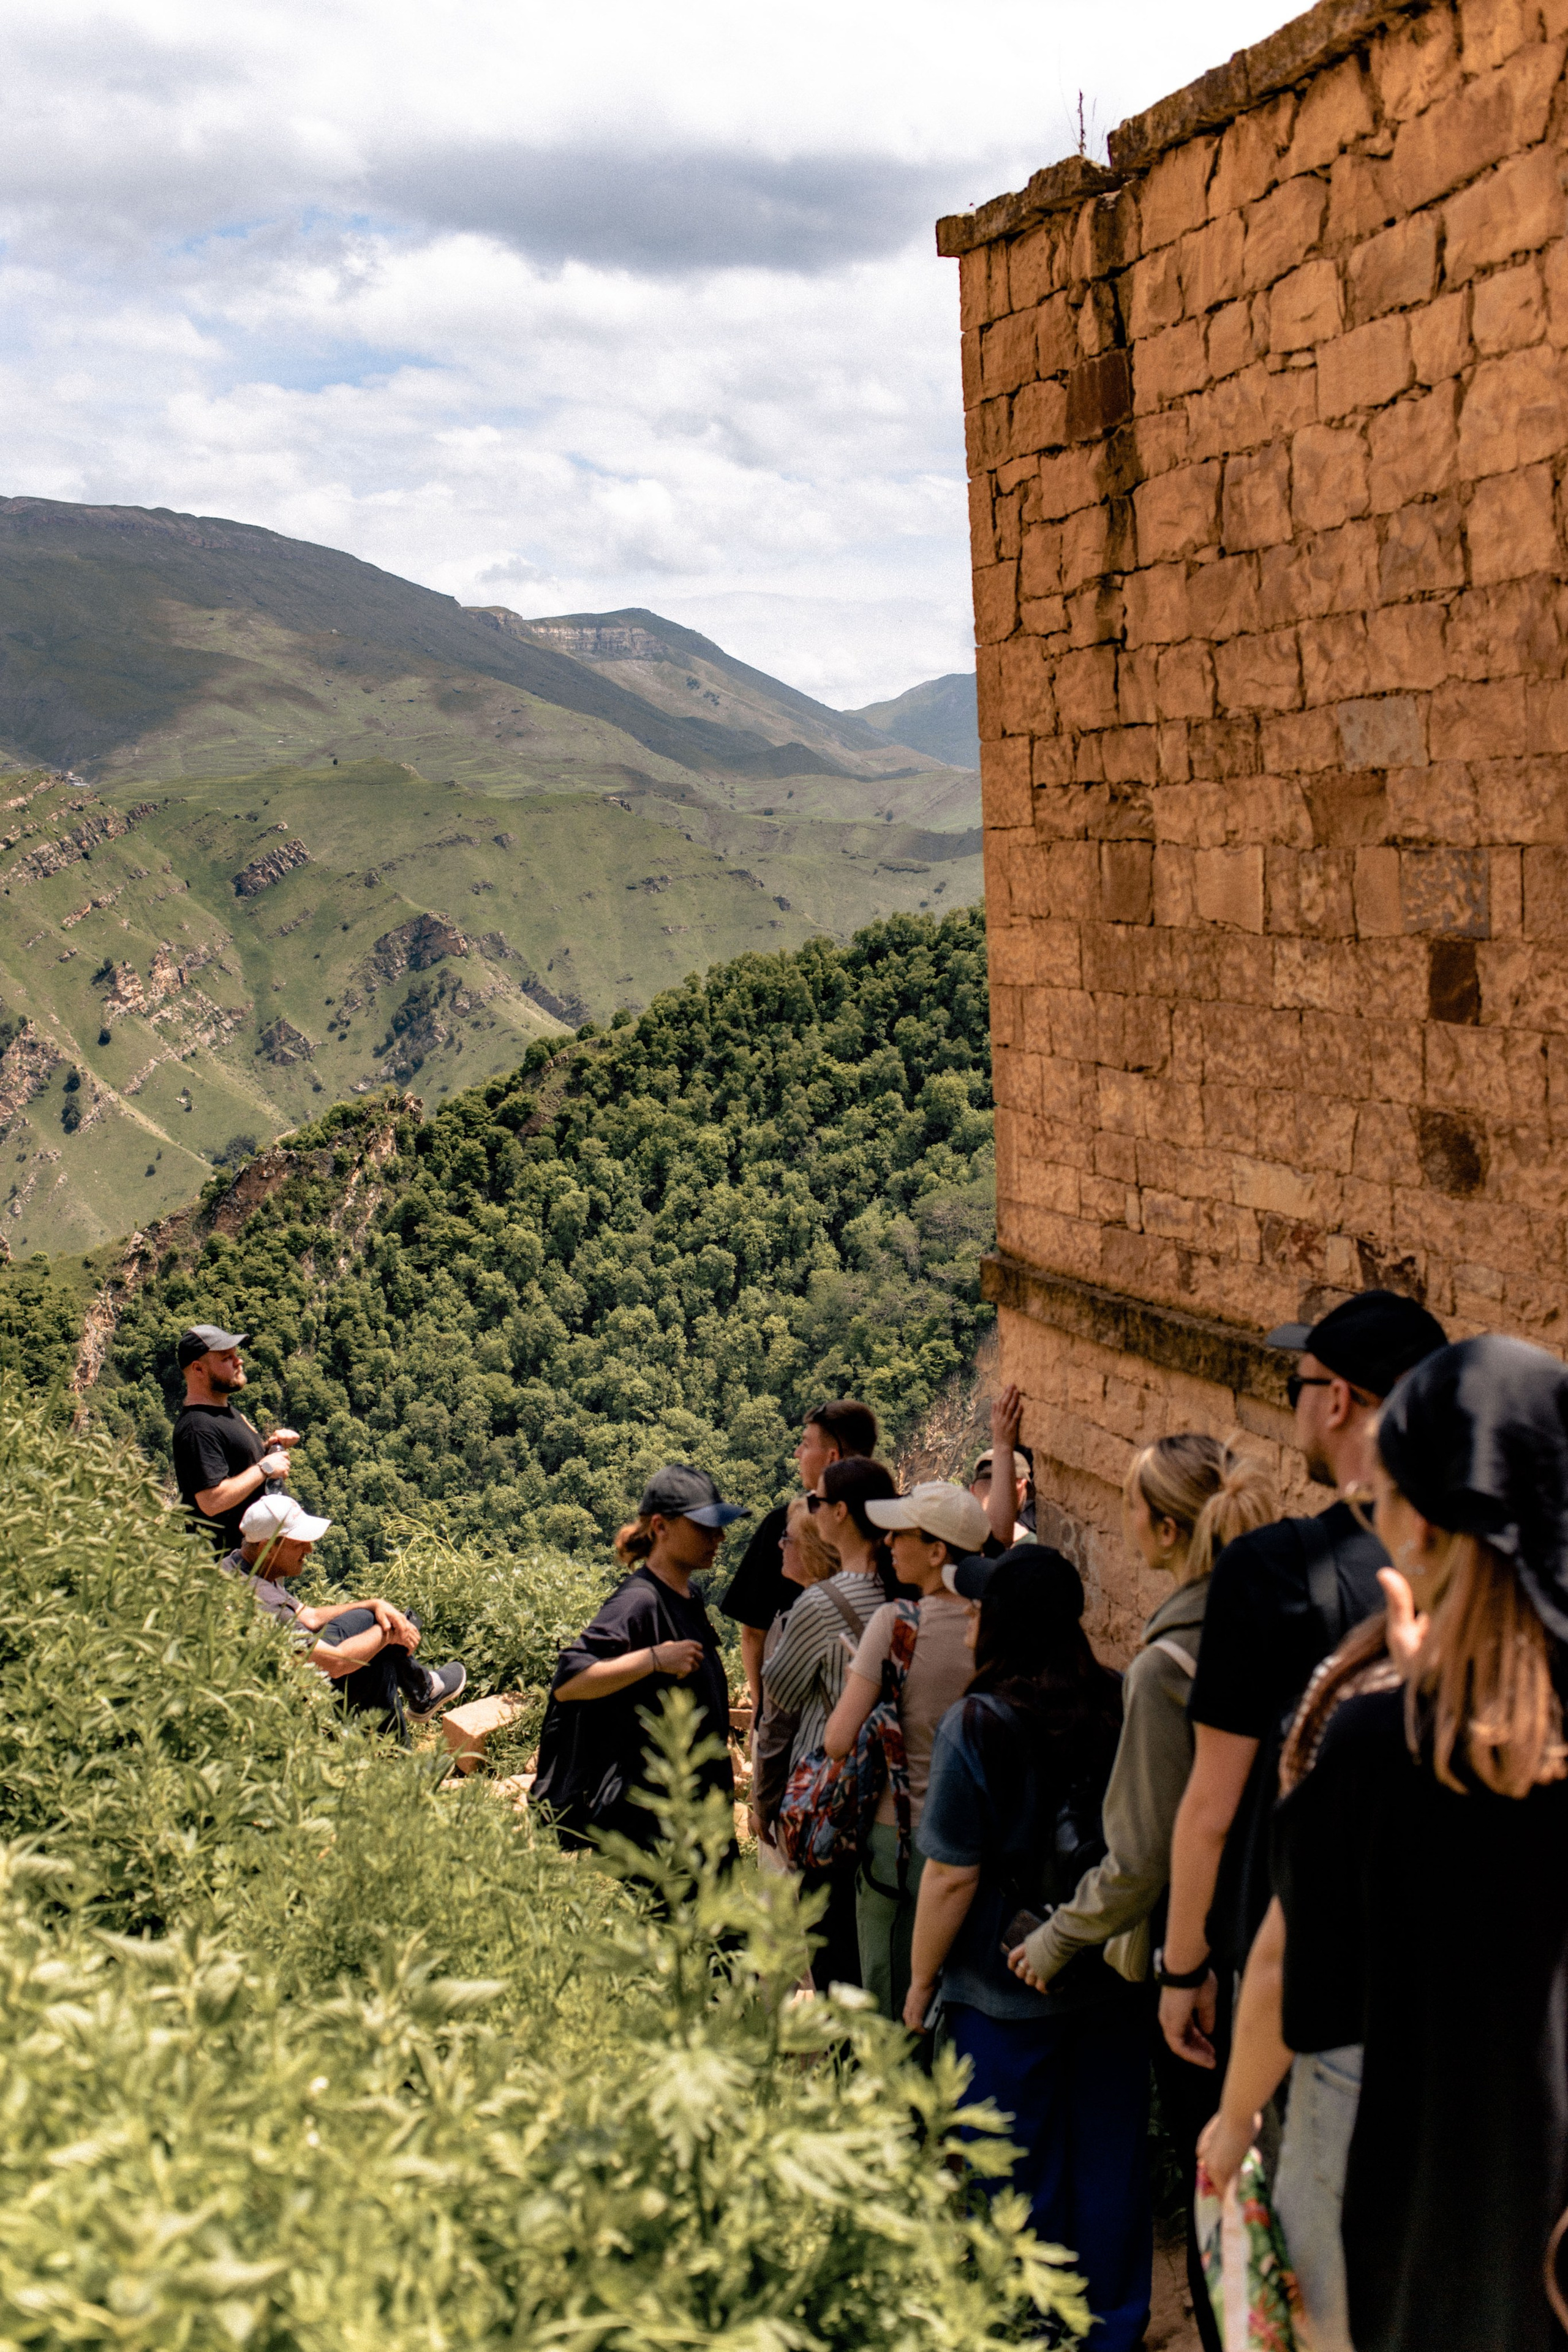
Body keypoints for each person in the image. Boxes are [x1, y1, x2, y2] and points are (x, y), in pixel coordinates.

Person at [1201, 1334, 1568, 2352]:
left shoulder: (1373, 1742)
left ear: (1409, 1516)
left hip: (1432, 2212)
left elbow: (1303, 1973)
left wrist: (1232, 2126)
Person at [1006, 1435, 1278, 2352]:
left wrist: (1056, 1941)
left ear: (1163, 1527)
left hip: (1200, 1961)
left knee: (1221, 2194)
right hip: (1287, 1935)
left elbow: (1143, 1853)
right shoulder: (1284, 1613)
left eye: (1131, 1506)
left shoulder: (1169, 1665)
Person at [1159, 1289, 1447, 2076]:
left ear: (1340, 1402)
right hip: (1441, 1967)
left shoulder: (1268, 1571)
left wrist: (1183, 1968)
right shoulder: (1481, 1565)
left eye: (1299, 1388)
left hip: (1301, 1968)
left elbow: (1211, 1810)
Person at [905, 1546, 1151, 2352]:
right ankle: (1112, 2331)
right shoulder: (1118, 1702)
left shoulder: (975, 1723)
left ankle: (1034, 2332)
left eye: (978, 1610)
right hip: (1108, 1978)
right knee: (1110, 2164)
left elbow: (949, 1876)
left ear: (1004, 1624)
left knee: (1016, 2177)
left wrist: (917, 1990)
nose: (969, 1619)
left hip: (1000, 1992)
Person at [821, 1477, 991, 2020]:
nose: (889, 1543)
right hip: (980, 1844)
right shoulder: (992, 1625)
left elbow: (836, 1740)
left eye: (902, 1535)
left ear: (937, 1551)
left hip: (899, 1837)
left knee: (888, 1997)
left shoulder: (895, 1624)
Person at [533, 1464, 744, 1853]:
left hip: (697, 1814)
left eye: (719, 1527)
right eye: (704, 1528)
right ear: (661, 1527)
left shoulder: (688, 1595)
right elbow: (569, 1683)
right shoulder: (639, 1601)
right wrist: (654, 1659)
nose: (719, 1537)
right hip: (659, 1825)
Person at [761, 1455, 902, 1988]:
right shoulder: (904, 1591)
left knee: (835, 1955)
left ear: (840, 1513)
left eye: (816, 1501)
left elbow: (782, 1695)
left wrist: (766, 1802)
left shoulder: (821, 1605)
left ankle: (845, 2068)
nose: (810, 1508)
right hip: (893, 1800)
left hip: (834, 1801)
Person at [223, 1493, 467, 1732]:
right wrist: (390, 1634)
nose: (309, 1549)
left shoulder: (240, 1564)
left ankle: (413, 1715)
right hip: (273, 1704)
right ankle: (421, 1695)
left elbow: (310, 1616)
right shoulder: (261, 1601)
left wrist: (373, 1604)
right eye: (299, 1543)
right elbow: (336, 1662)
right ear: (267, 1546)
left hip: (275, 1675)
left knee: (369, 1626)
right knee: (377, 1660)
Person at [720, 1399, 878, 1714]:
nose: (797, 1454)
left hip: (803, 1719)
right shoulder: (901, 1527)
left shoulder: (784, 1525)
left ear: (832, 1457)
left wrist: (760, 1706)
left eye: (806, 1445)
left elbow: (753, 1633)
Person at [751, 1493, 842, 1859]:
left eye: (788, 1539)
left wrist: (763, 1803)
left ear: (812, 1550)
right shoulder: (863, 1597)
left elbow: (778, 1721)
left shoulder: (806, 1613)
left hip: (807, 1785)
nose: (780, 1545)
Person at [172, 1324, 302, 1554]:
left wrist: (269, 1448)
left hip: (250, 1565)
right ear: (198, 1369)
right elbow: (212, 1500)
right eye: (226, 1358)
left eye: (236, 1354)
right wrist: (267, 1467)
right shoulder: (198, 1428)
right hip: (227, 1570)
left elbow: (238, 1467)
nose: (238, 1361)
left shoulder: (225, 1412)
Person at [976, 1382, 1033, 1548]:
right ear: (1022, 1486)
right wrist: (1003, 1445)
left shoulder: (961, 1539)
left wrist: (1002, 1444)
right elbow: (999, 1540)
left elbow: (998, 1541)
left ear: (972, 1490)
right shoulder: (1034, 1546)